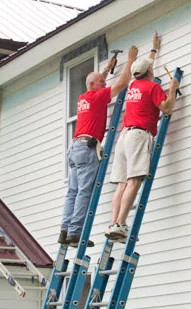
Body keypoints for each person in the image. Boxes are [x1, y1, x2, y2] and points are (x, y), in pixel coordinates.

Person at [59, 45, 138, 247]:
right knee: (85, 191)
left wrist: (106, 68)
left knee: (73, 192)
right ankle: (75, 234)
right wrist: (130, 60)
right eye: (102, 81)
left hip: (74, 148)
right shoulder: (97, 96)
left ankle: (65, 229)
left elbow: (94, 82)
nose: (105, 83)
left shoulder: (83, 97)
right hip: (87, 148)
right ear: (94, 85)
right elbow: (123, 82)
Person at [105, 32, 180, 242]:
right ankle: (121, 224)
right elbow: (166, 108)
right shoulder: (153, 87)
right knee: (134, 180)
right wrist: (172, 89)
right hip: (139, 135)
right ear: (149, 71)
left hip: (124, 136)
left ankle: (114, 223)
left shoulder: (134, 86)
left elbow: (145, 68)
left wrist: (154, 51)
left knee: (121, 183)